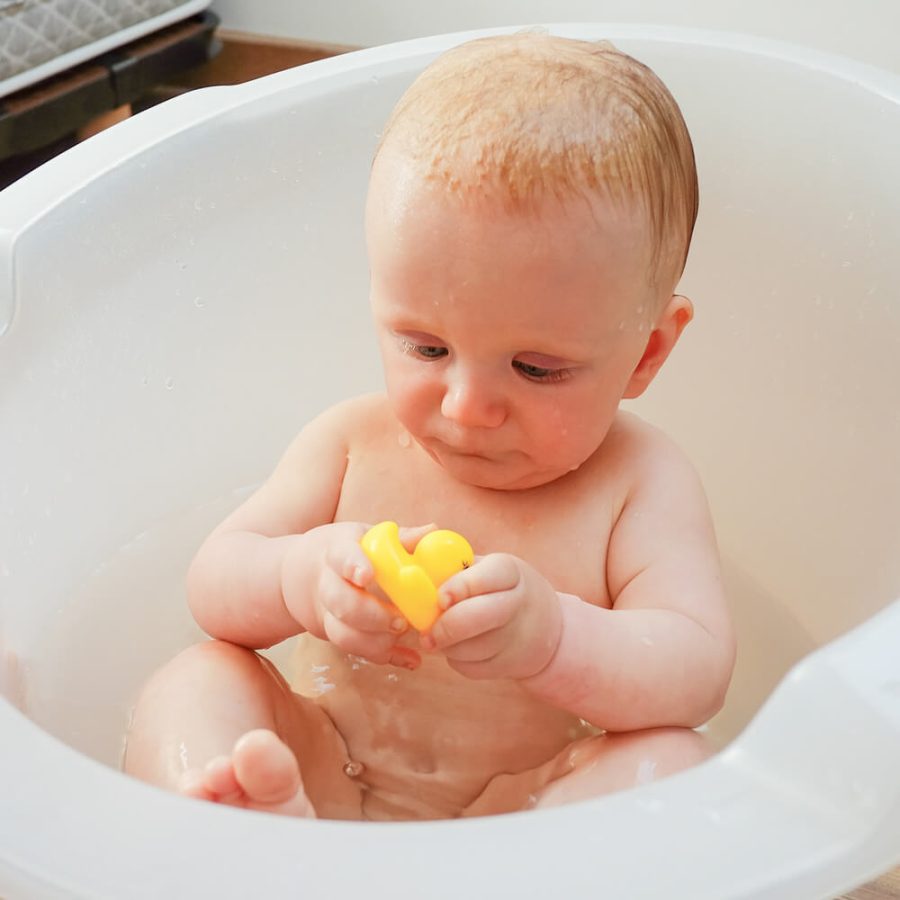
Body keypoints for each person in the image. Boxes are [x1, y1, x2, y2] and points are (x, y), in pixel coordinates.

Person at [124, 32, 736, 821]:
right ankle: (244, 825)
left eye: (536, 368)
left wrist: (556, 639)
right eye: (427, 347)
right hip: (325, 771)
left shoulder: (638, 486)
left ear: (646, 352)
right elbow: (214, 584)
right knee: (198, 677)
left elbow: (694, 670)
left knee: (674, 763)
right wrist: (301, 579)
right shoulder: (351, 443)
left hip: (527, 812)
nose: (464, 407)